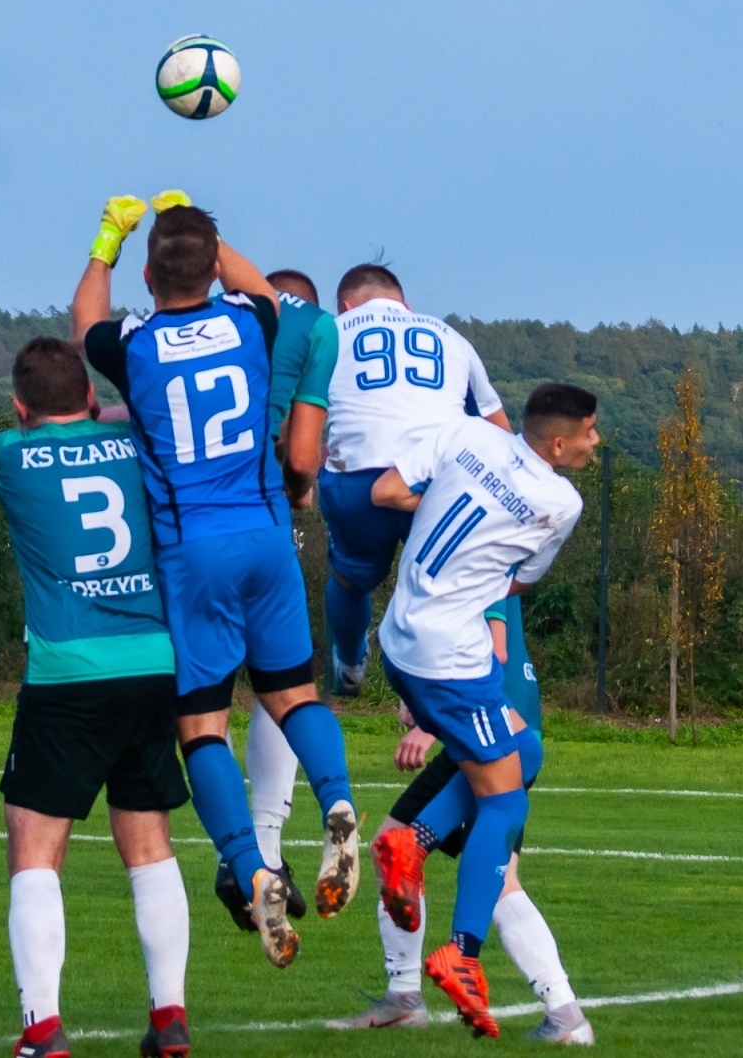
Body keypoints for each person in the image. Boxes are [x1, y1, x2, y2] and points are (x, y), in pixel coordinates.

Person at [70, 193, 358, 969]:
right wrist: (198, 222)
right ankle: (337, 801)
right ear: (213, 265)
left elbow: (84, 317)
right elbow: (259, 284)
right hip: (266, 535)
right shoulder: (249, 321)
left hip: (192, 550)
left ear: (149, 271)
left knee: (200, 725)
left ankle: (251, 863)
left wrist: (107, 240)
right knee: (294, 696)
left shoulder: (135, 347)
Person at [0, 338, 193, 1058]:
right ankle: (169, 1016)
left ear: (21, 406)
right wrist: (113, 412)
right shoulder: (135, 444)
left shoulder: (9, 452)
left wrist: (21, 428)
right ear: (89, 396)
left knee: (34, 847)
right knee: (148, 846)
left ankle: (44, 1029)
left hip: (67, 673)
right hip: (153, 663)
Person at [366, 383, 595, 1037]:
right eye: (589, 430)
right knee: (505, 805)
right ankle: (462, 956)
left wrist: (440, 506)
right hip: (453, 660)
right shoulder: (560, 502)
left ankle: (412, 847)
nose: (595, 441)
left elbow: (385, 492)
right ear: (558, 442)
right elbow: (519, 580)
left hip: (400, 640)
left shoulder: (464, 435)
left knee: (524, 755)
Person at [327, 595, 593, 1044]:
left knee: (402, 848)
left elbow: (495, 649)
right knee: (486, 871)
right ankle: (563, 1013)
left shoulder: (471, 550)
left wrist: (432, 724)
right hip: (503, 729)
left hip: (491, 732)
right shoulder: (479, 544)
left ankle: (408, 997)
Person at [291, 264, 510, 696]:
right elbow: (500, 432)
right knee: (462, 581)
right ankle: (471, 674)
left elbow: (305, 419)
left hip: (360, 480)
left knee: (351, 580)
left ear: (347, 305)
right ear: (405, 305)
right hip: (439, 481)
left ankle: (351, 661)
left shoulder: (330, 331)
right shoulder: (450, 337)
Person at [211, 267, 338, 927]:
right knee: (285, 688)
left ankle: (240, 850)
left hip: (185, 534)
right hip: (260, 527)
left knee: (202, 708)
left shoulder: (200, 328)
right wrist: (300, 485)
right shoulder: (311, 333)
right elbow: (301, 460)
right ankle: (264, 842)